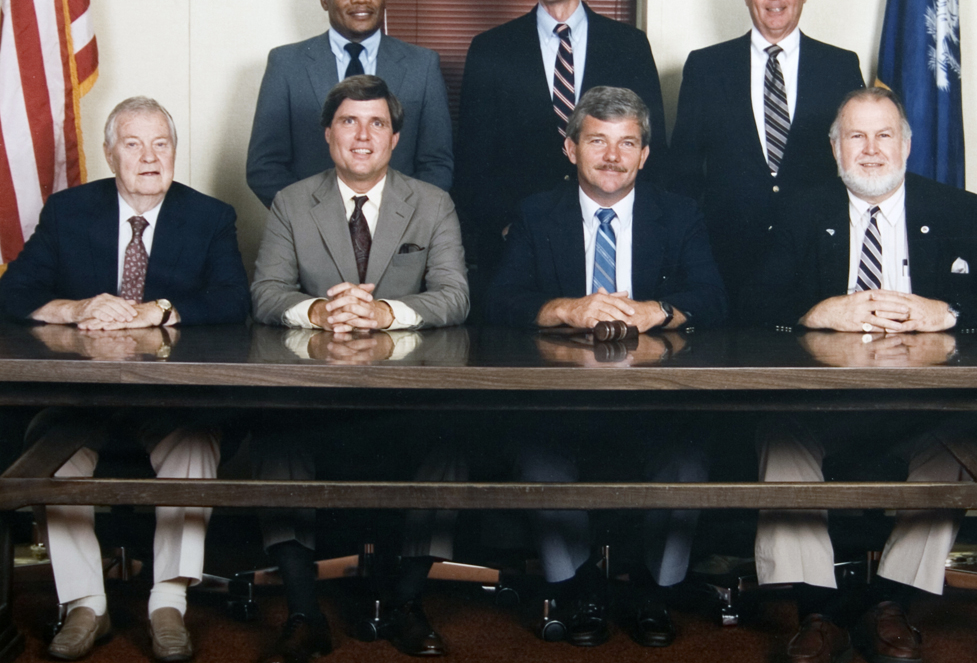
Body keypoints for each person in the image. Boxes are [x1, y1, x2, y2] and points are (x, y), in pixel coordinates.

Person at [743, 87, 977, 663]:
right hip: (822, 406)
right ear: (835, 149)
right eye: (856, 136)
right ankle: (817, 610)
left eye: (884, 135)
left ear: (907, 145)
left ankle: (889, 603)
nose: (871, 149)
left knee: (956, 449)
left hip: (926, 410)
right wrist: (815, 312)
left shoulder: (956, 208)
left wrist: (947, 313)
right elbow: (753, 300)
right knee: (780, 439)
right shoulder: (799, 211)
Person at [0, 97, 251, 662]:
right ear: (110, 152)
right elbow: (11, 295)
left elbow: (235, 301)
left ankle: (169, 603)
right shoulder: (70, 211)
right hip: (80, 399)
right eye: (134, 144)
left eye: (161, 143)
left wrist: (155, 310)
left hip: (170, 399)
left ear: (175, 153)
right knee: (53, 457)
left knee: (194, 447)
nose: (149, 156)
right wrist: (74, 307)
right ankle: (86, 602)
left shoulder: (209, 215)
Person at [487, 86, 726, 647]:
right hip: (562, 400)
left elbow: (714, 299)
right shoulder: (536, 212)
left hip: (656, 400)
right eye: (598, 140)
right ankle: (574, 587)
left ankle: (655, 589)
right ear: (571, 148)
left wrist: (657, 311)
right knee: (541, 457)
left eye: (628, 143)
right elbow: (500, 300)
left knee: (687, 459)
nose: (613, 156)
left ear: (645, 154)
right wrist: (567, 308)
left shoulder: (680, 213)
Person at [251, 75, 468, 660]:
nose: (363, 135)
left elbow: (454, 296)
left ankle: (406, 604)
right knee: (277, 442)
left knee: (447, 446)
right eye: (350, 121)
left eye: (377, 123)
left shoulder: (432, 203)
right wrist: (320, 309)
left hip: (406, 398)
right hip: (314, 397)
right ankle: (302, 612)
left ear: (396, 137)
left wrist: (383, 312)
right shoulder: (292, 202)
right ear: (328, 135)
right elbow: (266, 293)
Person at [457, 0, 668, 292]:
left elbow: (653, 149)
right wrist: (509, 227)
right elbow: (473, 161)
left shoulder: (629, 46)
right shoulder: (490, 50)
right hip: (521, 243)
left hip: (613, 236)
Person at [669, 0, 865, 309]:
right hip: (726, 258)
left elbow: (853, 164)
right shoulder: (706, 67)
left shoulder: (840, 67)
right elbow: (684, 173)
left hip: (815, 256)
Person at [247, 0, 453, 208]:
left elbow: (437, 163)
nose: (361, 0)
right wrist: (311, 219)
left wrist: (402, 220)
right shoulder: (287, 64)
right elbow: (264, 166)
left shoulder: (422, 64)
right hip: (311, 231)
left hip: (398, 229)